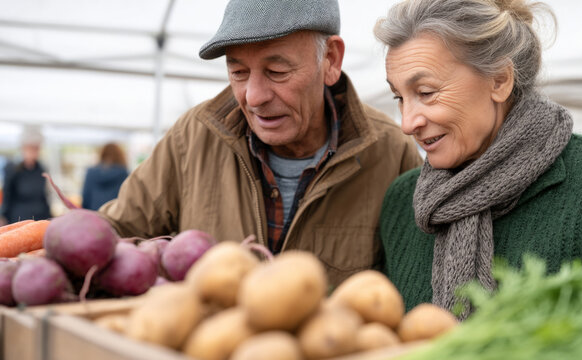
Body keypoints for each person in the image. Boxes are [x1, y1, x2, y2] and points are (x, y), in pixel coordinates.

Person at [98, 0, 422, 286]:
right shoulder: (192, 138)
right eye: (238, 72)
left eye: (277, 71)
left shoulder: (391, 153)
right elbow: (114, 233)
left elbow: (413, 287)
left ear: (331, 60)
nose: (253, 97)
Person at [374, 0, 582, 318]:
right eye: (399, 97)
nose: (407, 123)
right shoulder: (402, 201)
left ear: (500, 80)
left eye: (427, 92)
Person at [0, 126, 51, 225]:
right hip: (19, 219)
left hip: (39, 218)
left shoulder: (41, 169)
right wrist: (3, 216)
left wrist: (49, 216)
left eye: (36, 148)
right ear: (23, 148)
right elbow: (7, 196)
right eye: (30, 148)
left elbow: (44, 197)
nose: (33, 152)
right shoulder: (12, 169)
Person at [82, 143, 129, 211]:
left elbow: (86, 197)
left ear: (102, 154)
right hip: (114, 217)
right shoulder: (124, 174)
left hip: (94, 215)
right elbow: (126, 199)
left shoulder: (91, 173)